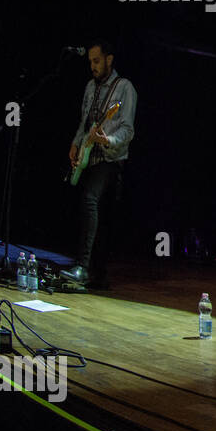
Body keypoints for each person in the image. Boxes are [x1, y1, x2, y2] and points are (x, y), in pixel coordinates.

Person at [60, 40, 137, 288]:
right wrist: (76, 143)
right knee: (91, 212)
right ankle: (94, 272)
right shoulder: (89, 87)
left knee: (90, 200)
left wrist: (107, 139)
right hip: (88, 156)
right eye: (90, 62)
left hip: (110, 158)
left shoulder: (124, 88)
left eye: (96, 61)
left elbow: (127, 129)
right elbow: (85, 121)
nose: (92, 66)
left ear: (109, 59)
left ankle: (83, 267)